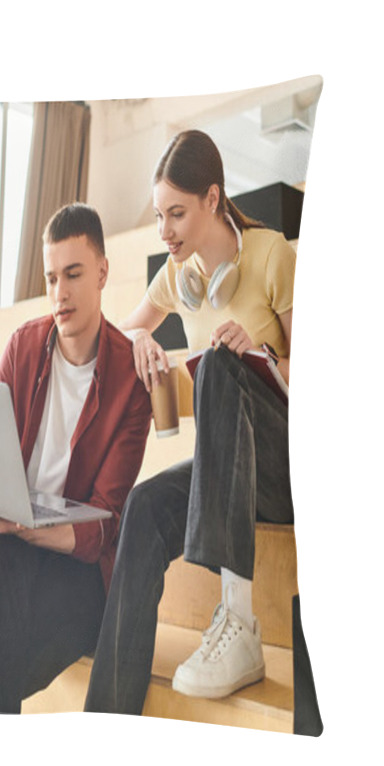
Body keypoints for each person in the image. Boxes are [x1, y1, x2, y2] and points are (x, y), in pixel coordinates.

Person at [85, 129, 297, 714]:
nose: (164, 231)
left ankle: (237, 620)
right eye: (158, 216)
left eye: (176, 213)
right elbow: (118, 332)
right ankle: (110, 713)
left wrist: (262, 352)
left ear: (212, 199)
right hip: (225, 475)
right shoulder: (180, 278)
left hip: (285, 470)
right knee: (145, 508)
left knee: (221, 364)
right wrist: (139, 344)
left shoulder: (274, 255)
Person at [0, 203, 151, 713]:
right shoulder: (24, 347)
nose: (60, 293)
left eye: (74, 275)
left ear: (102, 272)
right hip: (13, 558)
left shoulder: (130, 380)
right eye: (52, 277)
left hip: (82, 581)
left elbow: (104, 527)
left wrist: (25, 530)